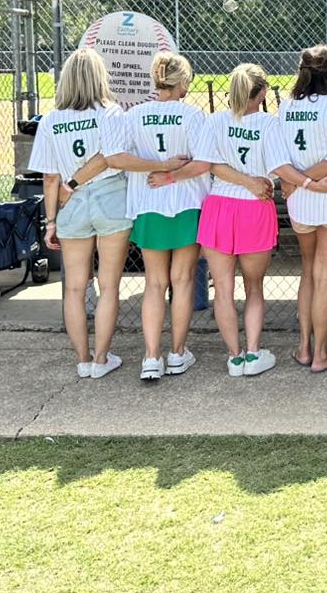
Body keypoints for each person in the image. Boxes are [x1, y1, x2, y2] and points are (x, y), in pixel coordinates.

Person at [29, 47, 130, 379]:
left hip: (68, 204)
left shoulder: (51, 120)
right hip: (110, 195)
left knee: (74, 287)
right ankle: (102, 358)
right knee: (109, 285)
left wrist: (51, 221)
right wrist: (76, 182)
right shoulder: (110, 112)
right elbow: (109, 156)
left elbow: (49, 178)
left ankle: (83, 359)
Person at [106, 52, 208, 381]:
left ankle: (151, 357)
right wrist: (168, 169)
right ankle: (177, 353)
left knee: (154, 283)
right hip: (187, 202)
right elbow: (203, 162)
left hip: (148, 204)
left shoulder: (134, 115)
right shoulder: (193, 115)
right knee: (182, 281)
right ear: (181, 82)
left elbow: (118, 158)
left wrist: (155, 166)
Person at [192, 62, 288, 377]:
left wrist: (243, 180)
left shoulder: (216, 121)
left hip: (219, 207)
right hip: (253, 208)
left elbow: (211, 165)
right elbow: (275, 169)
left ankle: (234, 357)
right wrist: (252, 181)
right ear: (261, 93)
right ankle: (253, 353)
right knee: (254, 288)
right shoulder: (269, 124)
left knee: (223, 288)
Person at [272, 46, 327, 374]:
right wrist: (313, 181)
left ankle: (304, 347)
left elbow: (280, 158)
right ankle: (321, 354)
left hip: (300, 201)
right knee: (324, 275)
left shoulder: (287, 106)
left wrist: (300, 182)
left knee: (308, 271)